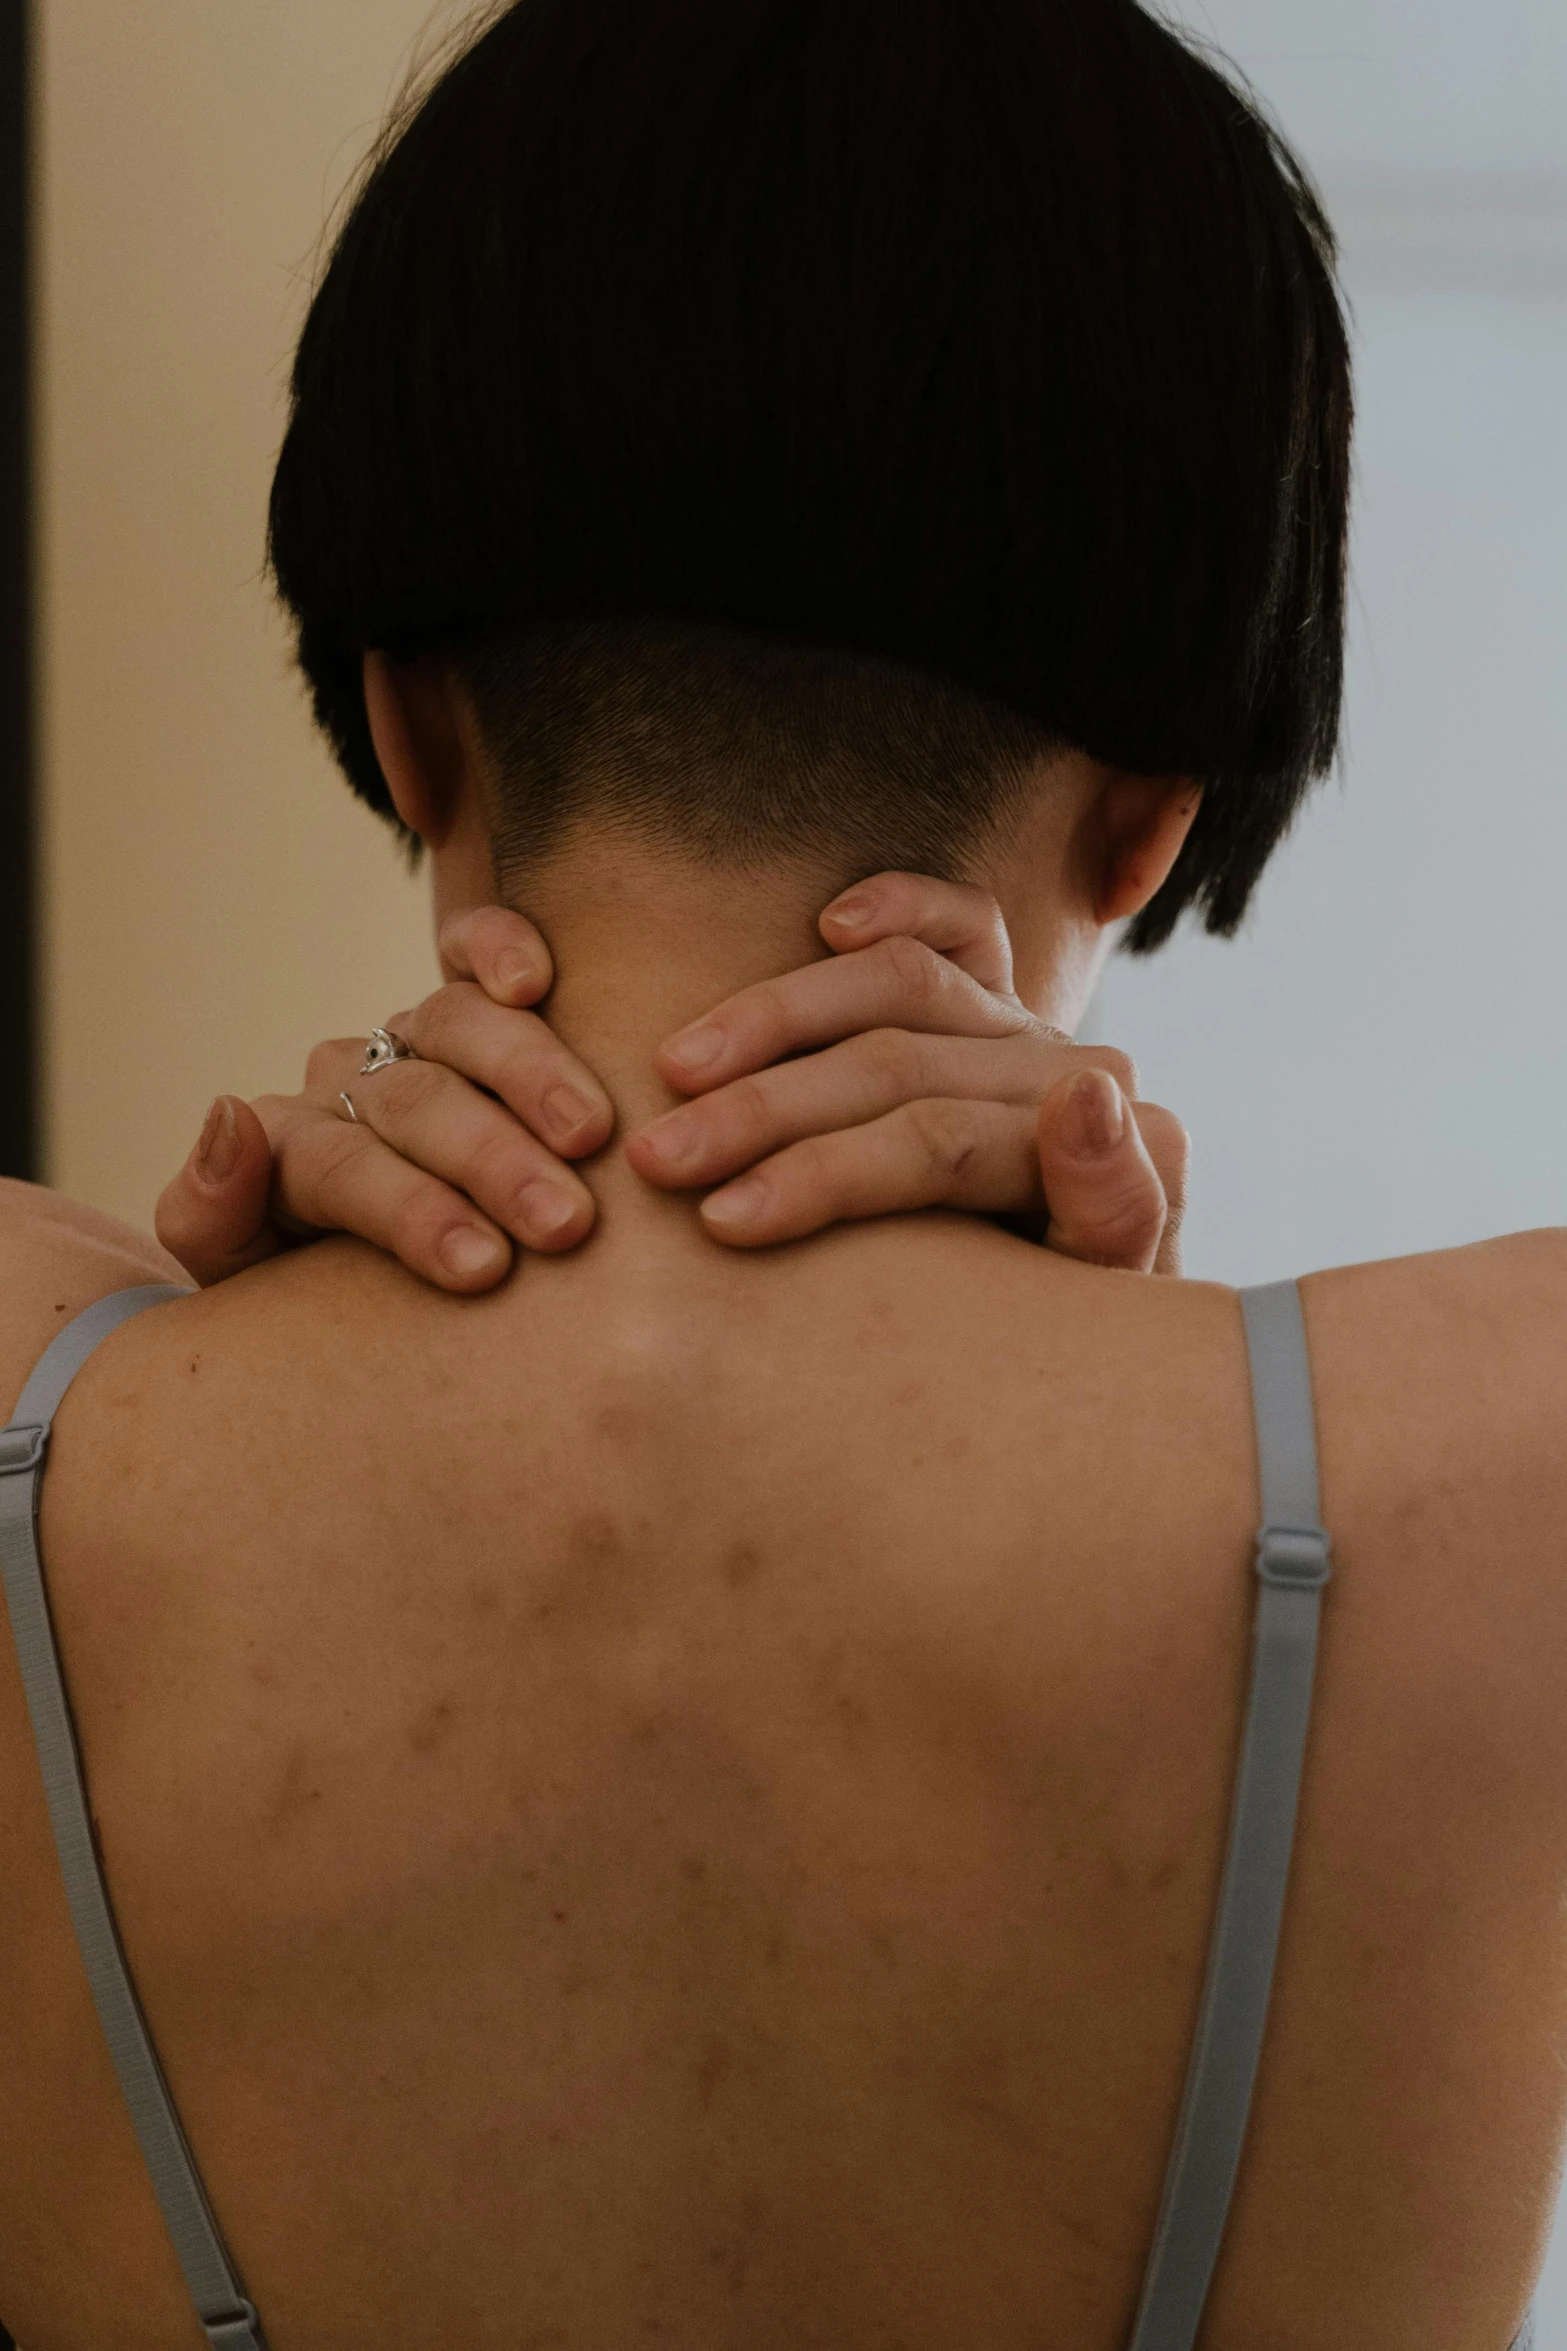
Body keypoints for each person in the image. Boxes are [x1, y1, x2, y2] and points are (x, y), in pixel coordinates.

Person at [0, 5, 1559, 2348]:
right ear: (1152, 815)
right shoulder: (1511, 1447)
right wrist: (1187, 1385)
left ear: (409, 722)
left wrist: (126, 1351)